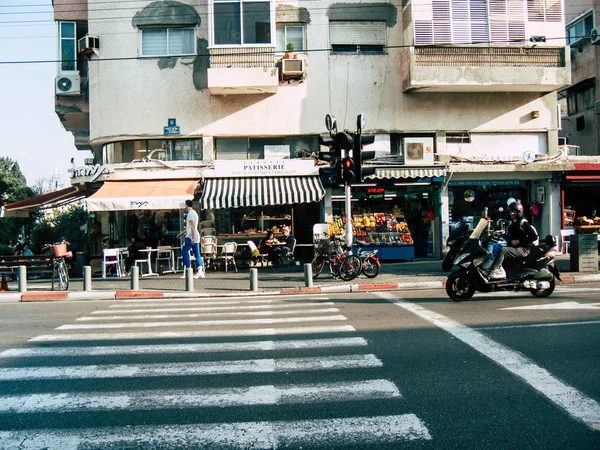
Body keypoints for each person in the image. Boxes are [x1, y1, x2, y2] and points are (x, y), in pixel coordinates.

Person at [485, 201, 539, 280]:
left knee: (503, 251)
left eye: (514, 212)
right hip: (515, 247)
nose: (512, 214)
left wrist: (519, 241)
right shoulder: (513, 223)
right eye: (510, 211)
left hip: (524, 249)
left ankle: (492, 271)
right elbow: (509, 235)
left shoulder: (523, 223)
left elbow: (534, 236)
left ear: (519, 212)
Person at [177, 199, 204, 278]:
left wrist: (192, 237)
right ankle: (200, 271)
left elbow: (192, 226)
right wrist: (182, 233)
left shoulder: (190, 214)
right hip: (194, 235)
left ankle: (187, 270)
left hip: (191, 236)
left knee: (184, 251)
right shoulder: (194, 213)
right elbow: (191, 227)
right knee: (196, 253)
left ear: (186, 205)